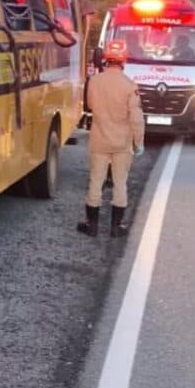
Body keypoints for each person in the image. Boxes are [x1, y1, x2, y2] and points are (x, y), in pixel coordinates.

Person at [77, 39, 145, 238]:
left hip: (99, 139)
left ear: (106, 58)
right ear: (124, 60)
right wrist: (139, 142)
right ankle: (117, 227)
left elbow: (89, 105)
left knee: (96, 181)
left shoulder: (95, 81)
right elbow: (136, 118)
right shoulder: (130, 86)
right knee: (120, 182)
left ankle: (92, 225)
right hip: (122, 142)